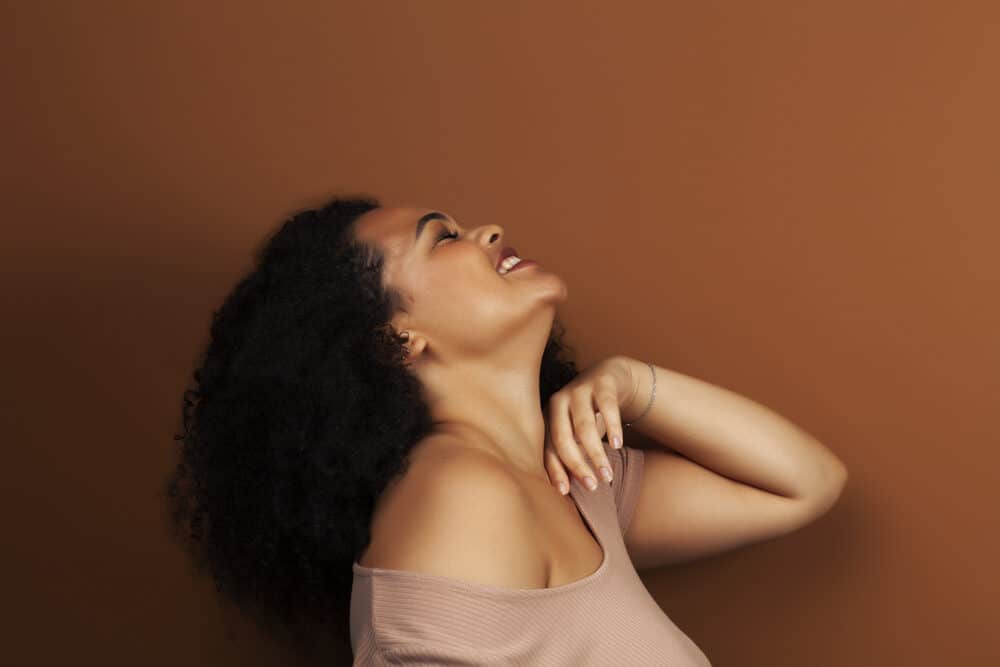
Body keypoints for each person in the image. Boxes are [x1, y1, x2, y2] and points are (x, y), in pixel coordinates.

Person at [164, 195, 712, 665]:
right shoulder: (460, 495)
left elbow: (792, 486)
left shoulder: (570, 473)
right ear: (398, 338)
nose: (490, 231)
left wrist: (630, 382)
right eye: (444, 238)